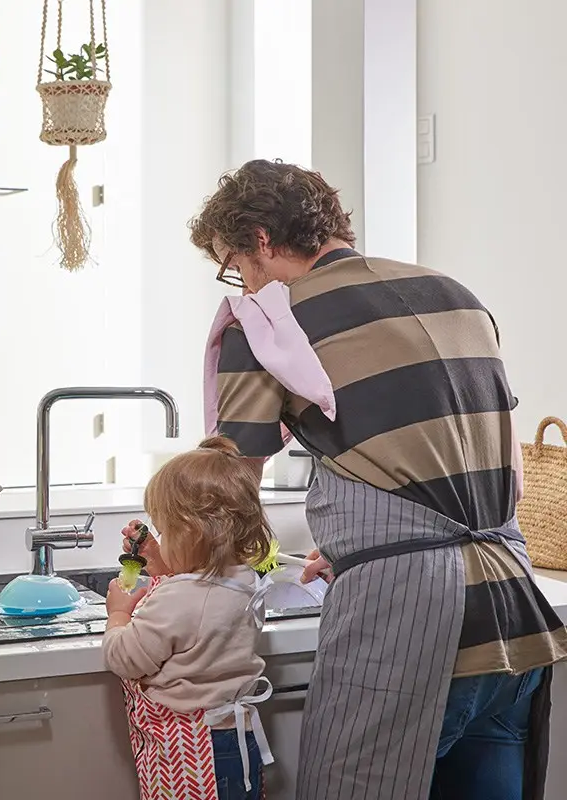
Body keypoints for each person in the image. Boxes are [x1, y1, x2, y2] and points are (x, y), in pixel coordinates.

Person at [188, 159, 567, 800]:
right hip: (514, 615)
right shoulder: (455, 295)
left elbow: (227, 495)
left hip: (406, 630)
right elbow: (503, 478)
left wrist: (163, 576)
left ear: (260, 239)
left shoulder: (267, 324)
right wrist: (364, 547)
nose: (242, 283)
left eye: (235, 264)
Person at [103, 436, 276, 800]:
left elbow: (126, 658)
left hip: (190, 754)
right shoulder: (244, 579)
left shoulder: (182, 598)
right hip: (233, 741)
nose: (160, 538)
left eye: (164, 531)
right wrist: (160, 560)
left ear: (192, 533)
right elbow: (201, 602)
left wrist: (118, 613)